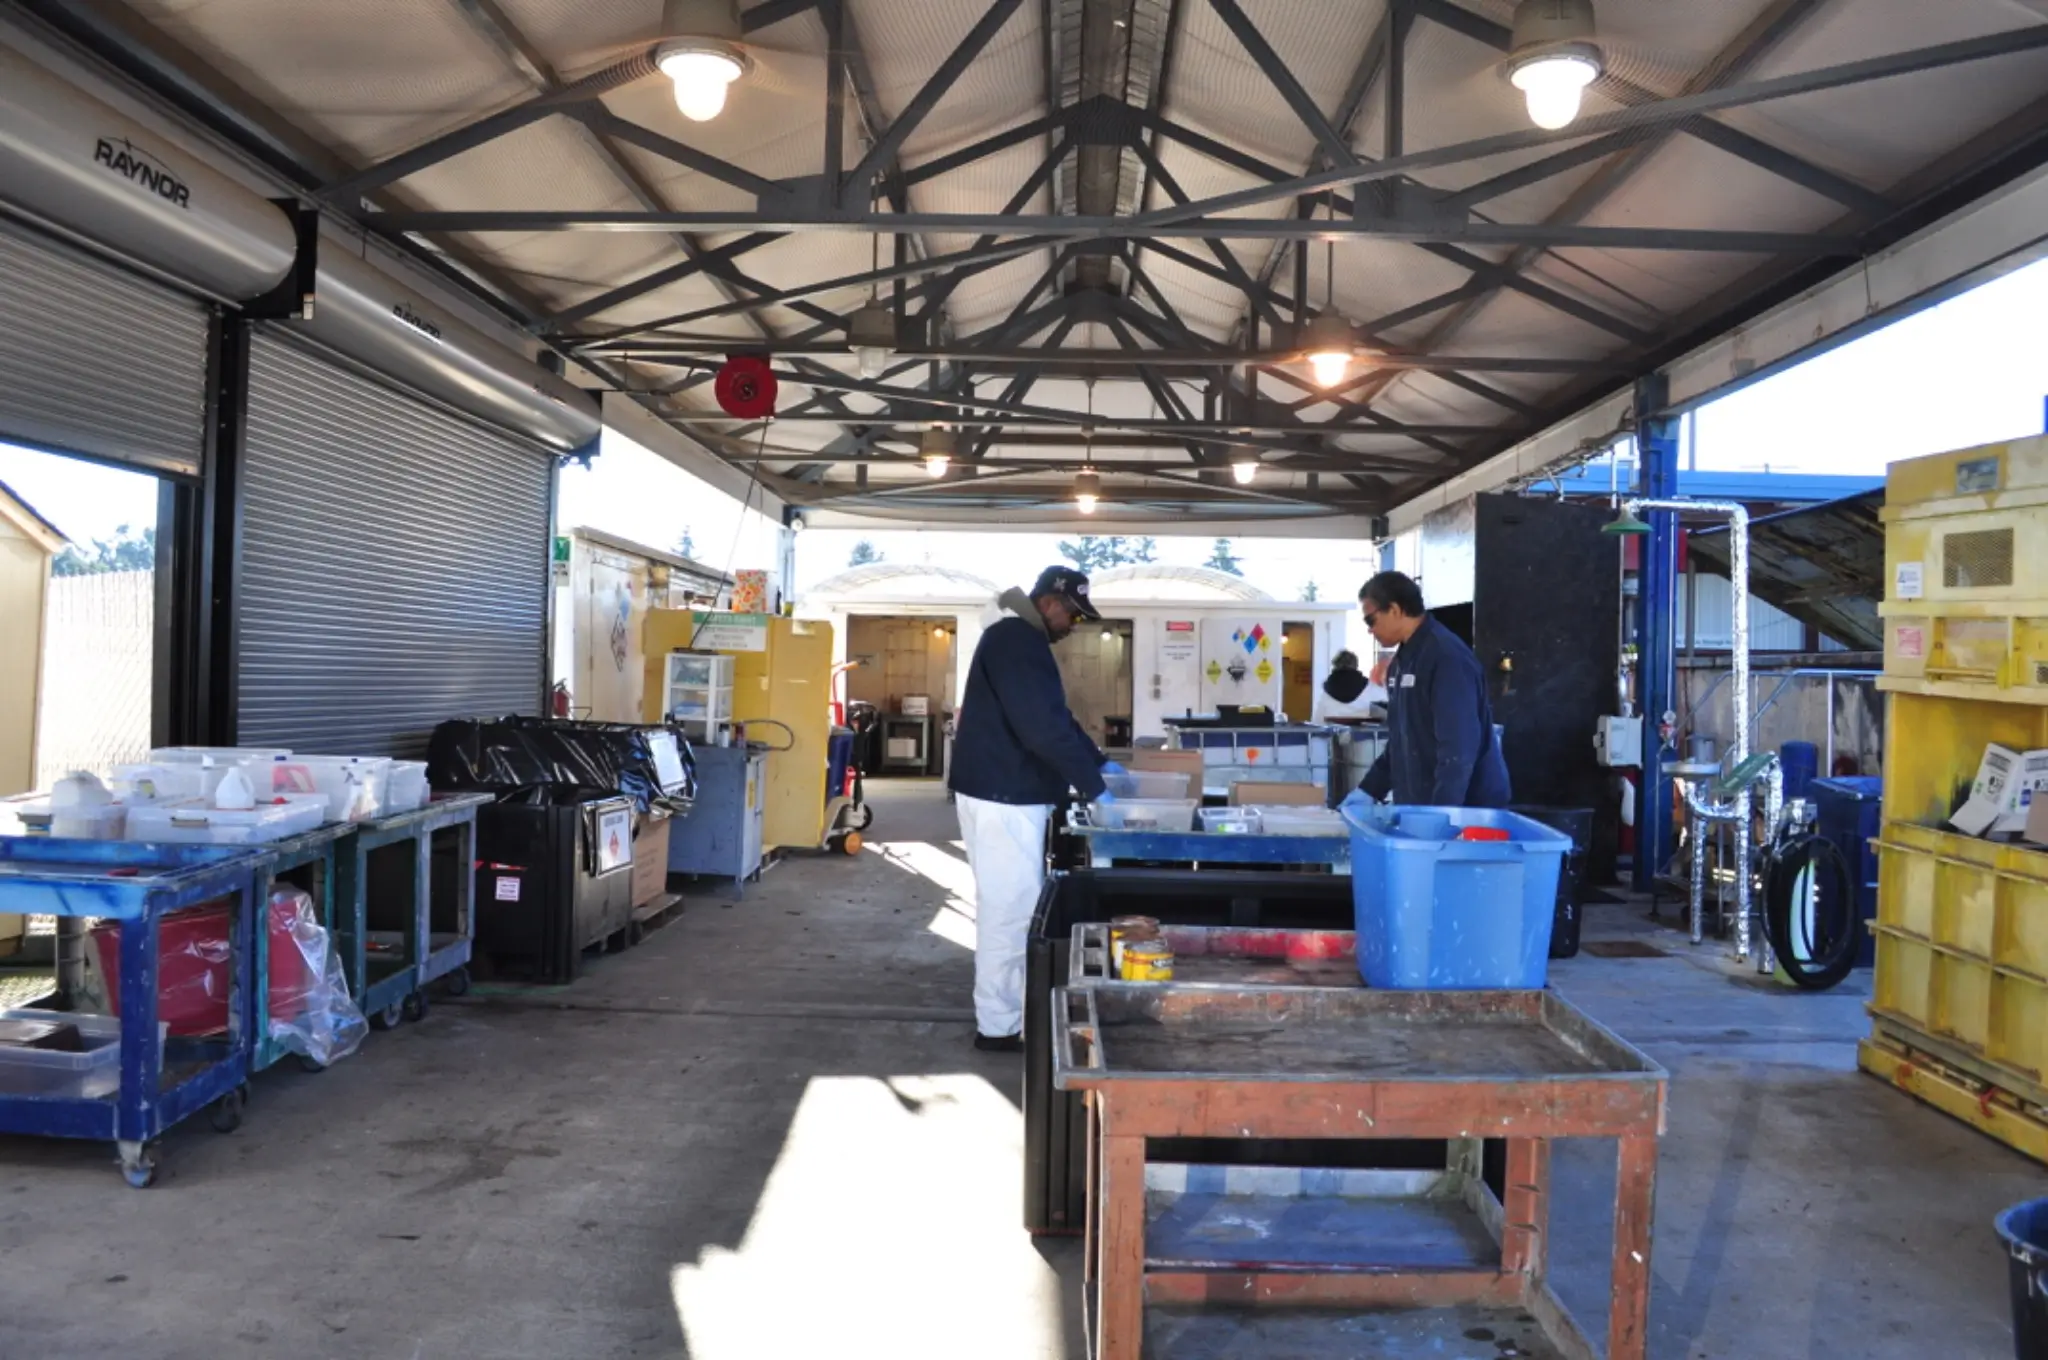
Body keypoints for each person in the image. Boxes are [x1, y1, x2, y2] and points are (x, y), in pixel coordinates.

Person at [949, 566, 1121, 1053]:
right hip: (1004, 796)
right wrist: (1094, 788)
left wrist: (1099, 761)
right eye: (1071, 612)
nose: (1073, 624)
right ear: (1048, 602)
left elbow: (1054, 717)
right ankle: (999, 1027)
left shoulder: (1018, 641)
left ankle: (1006, 1015)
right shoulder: (1016, 641)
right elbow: (1040, 729)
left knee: (1010, 907)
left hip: (1005, 792)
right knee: (1009, 913)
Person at [1350, 570, 1510, 808]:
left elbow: (1458, 750)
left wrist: (1442, 813)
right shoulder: (1400, 664)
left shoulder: (1446, 658)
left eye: (1370, 620)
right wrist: (1369, 790)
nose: (1369, 630)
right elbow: (1399, 744)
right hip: (1421, 807)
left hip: (1468, 812)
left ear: (1394, 610)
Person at [1313, 649, 1384, 723]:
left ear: (1335, 665)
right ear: (1356, 665)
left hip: (1333, 733)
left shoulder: (1326, 693)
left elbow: (1317, 721)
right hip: (1364, 733)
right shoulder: (1372, 689)